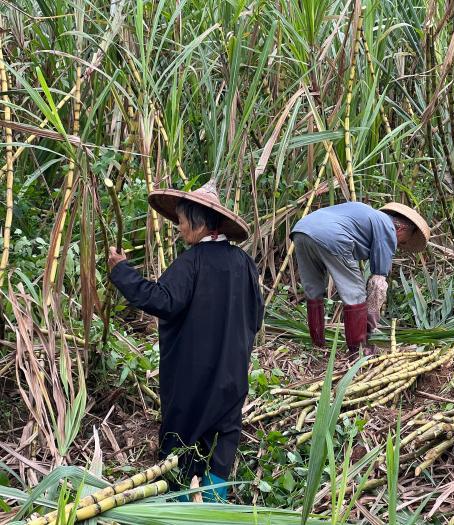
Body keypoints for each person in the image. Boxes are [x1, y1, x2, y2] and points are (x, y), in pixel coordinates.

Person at [108, 180, 263, 502]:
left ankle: (177, 503)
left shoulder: (192, 263)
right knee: (223, 434)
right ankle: (212, 503)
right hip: (232, 371)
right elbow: (255, 316)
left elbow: (162, 301)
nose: (178, 227)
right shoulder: (244, 263)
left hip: (192, 375)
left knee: (182, 434)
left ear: (200, 221)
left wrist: (123, 271)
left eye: (181, 219)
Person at [291, 202, 430, 356]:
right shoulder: (387, 226)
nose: (397, 245)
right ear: (401, 229)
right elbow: (378, 283)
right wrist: (369, 327)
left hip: (301, 230)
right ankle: (358, 352)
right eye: (402, 241)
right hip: (332, 235)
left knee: (313, 290)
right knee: (355, 294)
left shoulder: (366, 215)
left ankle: (317, 348)